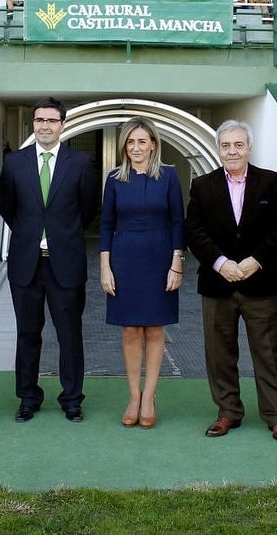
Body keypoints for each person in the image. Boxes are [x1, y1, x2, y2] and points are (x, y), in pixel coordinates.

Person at [185, 120, 277, 443]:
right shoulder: (201, 186)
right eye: (226, 145)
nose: (232, 151)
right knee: (219, 352)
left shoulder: (272, 183)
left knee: (268, 351)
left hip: (259, 282)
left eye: (238, 145)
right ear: (219, 149)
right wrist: (220, 263)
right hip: (217, 283)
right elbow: (194, 231)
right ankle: (228, 411)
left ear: (249, 147)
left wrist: (254, 261)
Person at [0, 97, 98, 424]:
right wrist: (33, 235)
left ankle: (72, 398)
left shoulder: (80, 163)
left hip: (65, 263)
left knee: (69, 333)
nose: (44, 126)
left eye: (51, 121)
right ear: (33, 124)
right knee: (28, 333)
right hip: (26, 263)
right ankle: (28, 397)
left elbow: (88, 210)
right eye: (39, 120)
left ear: (62, 125)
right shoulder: (14, 163)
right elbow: (8, 209)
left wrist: (61, 236)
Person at [99, 117, 185, 430]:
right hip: (124, 260)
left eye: (142, 141)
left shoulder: (169, 177)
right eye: (131, 142)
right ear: (124, 146)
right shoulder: (114, 179)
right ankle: (133, 396)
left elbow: (178, 221)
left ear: (153, 144)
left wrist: (177, 263)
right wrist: (105, 266)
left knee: (155, 329)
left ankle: (150, 396)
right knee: (130, 330)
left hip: (160, 259)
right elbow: (106, 224)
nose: (136, 147)